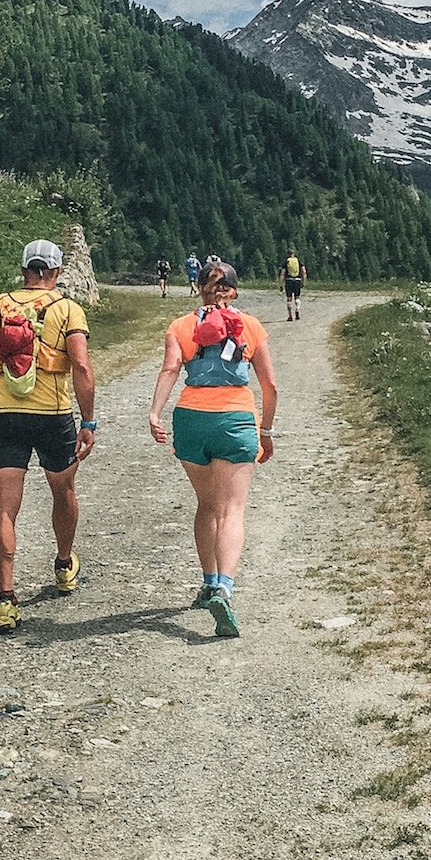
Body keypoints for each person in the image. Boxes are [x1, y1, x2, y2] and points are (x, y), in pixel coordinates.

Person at [0, 238, 98, 631]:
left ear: (23, 269)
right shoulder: (67, 309)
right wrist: (87, 422)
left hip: (7, 418)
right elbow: (83, 367)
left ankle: (5, 600)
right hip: (53, 417)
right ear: (55, 273)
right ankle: (63, 563)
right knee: (63, 492)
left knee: (4, 509)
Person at [148, 261, 277, 639]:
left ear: (199, 289)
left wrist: (155, 412)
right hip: (235, 419)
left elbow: (171, 368)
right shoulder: (250, 326)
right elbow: (270, 387)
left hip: (190, 419)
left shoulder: (181, 326)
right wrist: (265, 431)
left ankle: (207, 583)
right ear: (234, 291)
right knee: (232, 508)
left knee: (207, 505)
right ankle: (224, 587)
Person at [279, 248, 307, 321]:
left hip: (289, 281)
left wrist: (281, 284)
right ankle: (297, 309)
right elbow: (304, 272)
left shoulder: (286, 262)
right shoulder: (298, 261)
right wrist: (303, 282)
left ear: (287, 254)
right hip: (297, 280)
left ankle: (290, 316)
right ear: (294, 254)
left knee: (289, 298)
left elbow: (282, 274)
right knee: (297, 297)